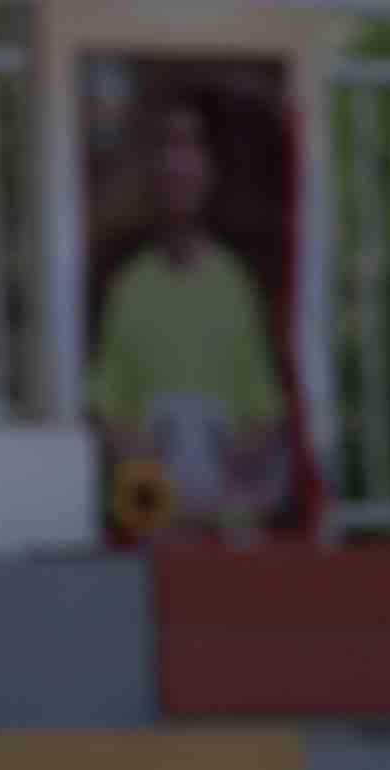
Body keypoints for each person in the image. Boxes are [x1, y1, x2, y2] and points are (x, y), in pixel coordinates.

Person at [86, 91, 291, 535]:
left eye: (190, 145)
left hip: (229, 536)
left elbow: (265, 411)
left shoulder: (238, 287)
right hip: (155, 535)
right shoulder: (128, 289)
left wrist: (234, 462)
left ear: (210, 168)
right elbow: (107, 409)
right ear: (151, 169)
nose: (177, 162)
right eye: (165, 145)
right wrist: (151, 468)